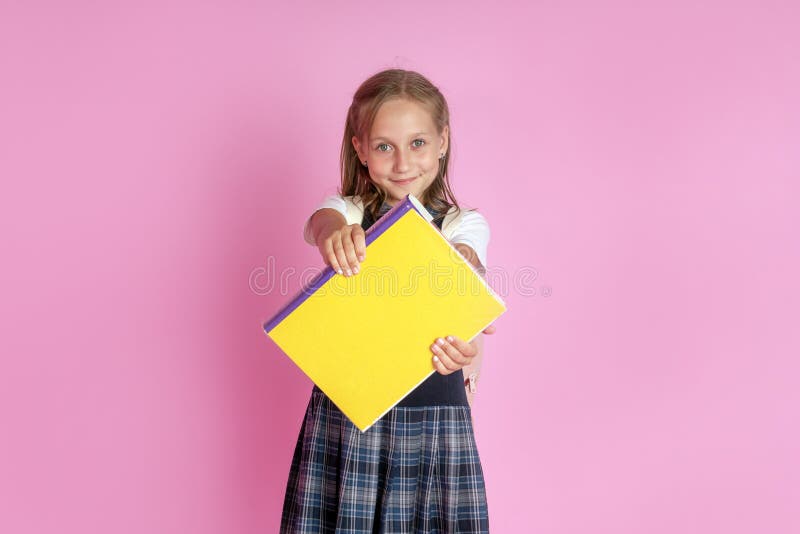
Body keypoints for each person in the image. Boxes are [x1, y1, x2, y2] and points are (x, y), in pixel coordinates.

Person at [281, 68, 497, 533]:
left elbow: (468, 259)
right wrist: (335, 235)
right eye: (384, 147)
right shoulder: (350, 212)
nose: (402, 164)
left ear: (442, 140)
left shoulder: (463, 223)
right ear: (359, 149)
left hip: (434, 421)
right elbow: (323, 219)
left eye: (417, 143)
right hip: (348, 415)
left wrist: (463, 280)